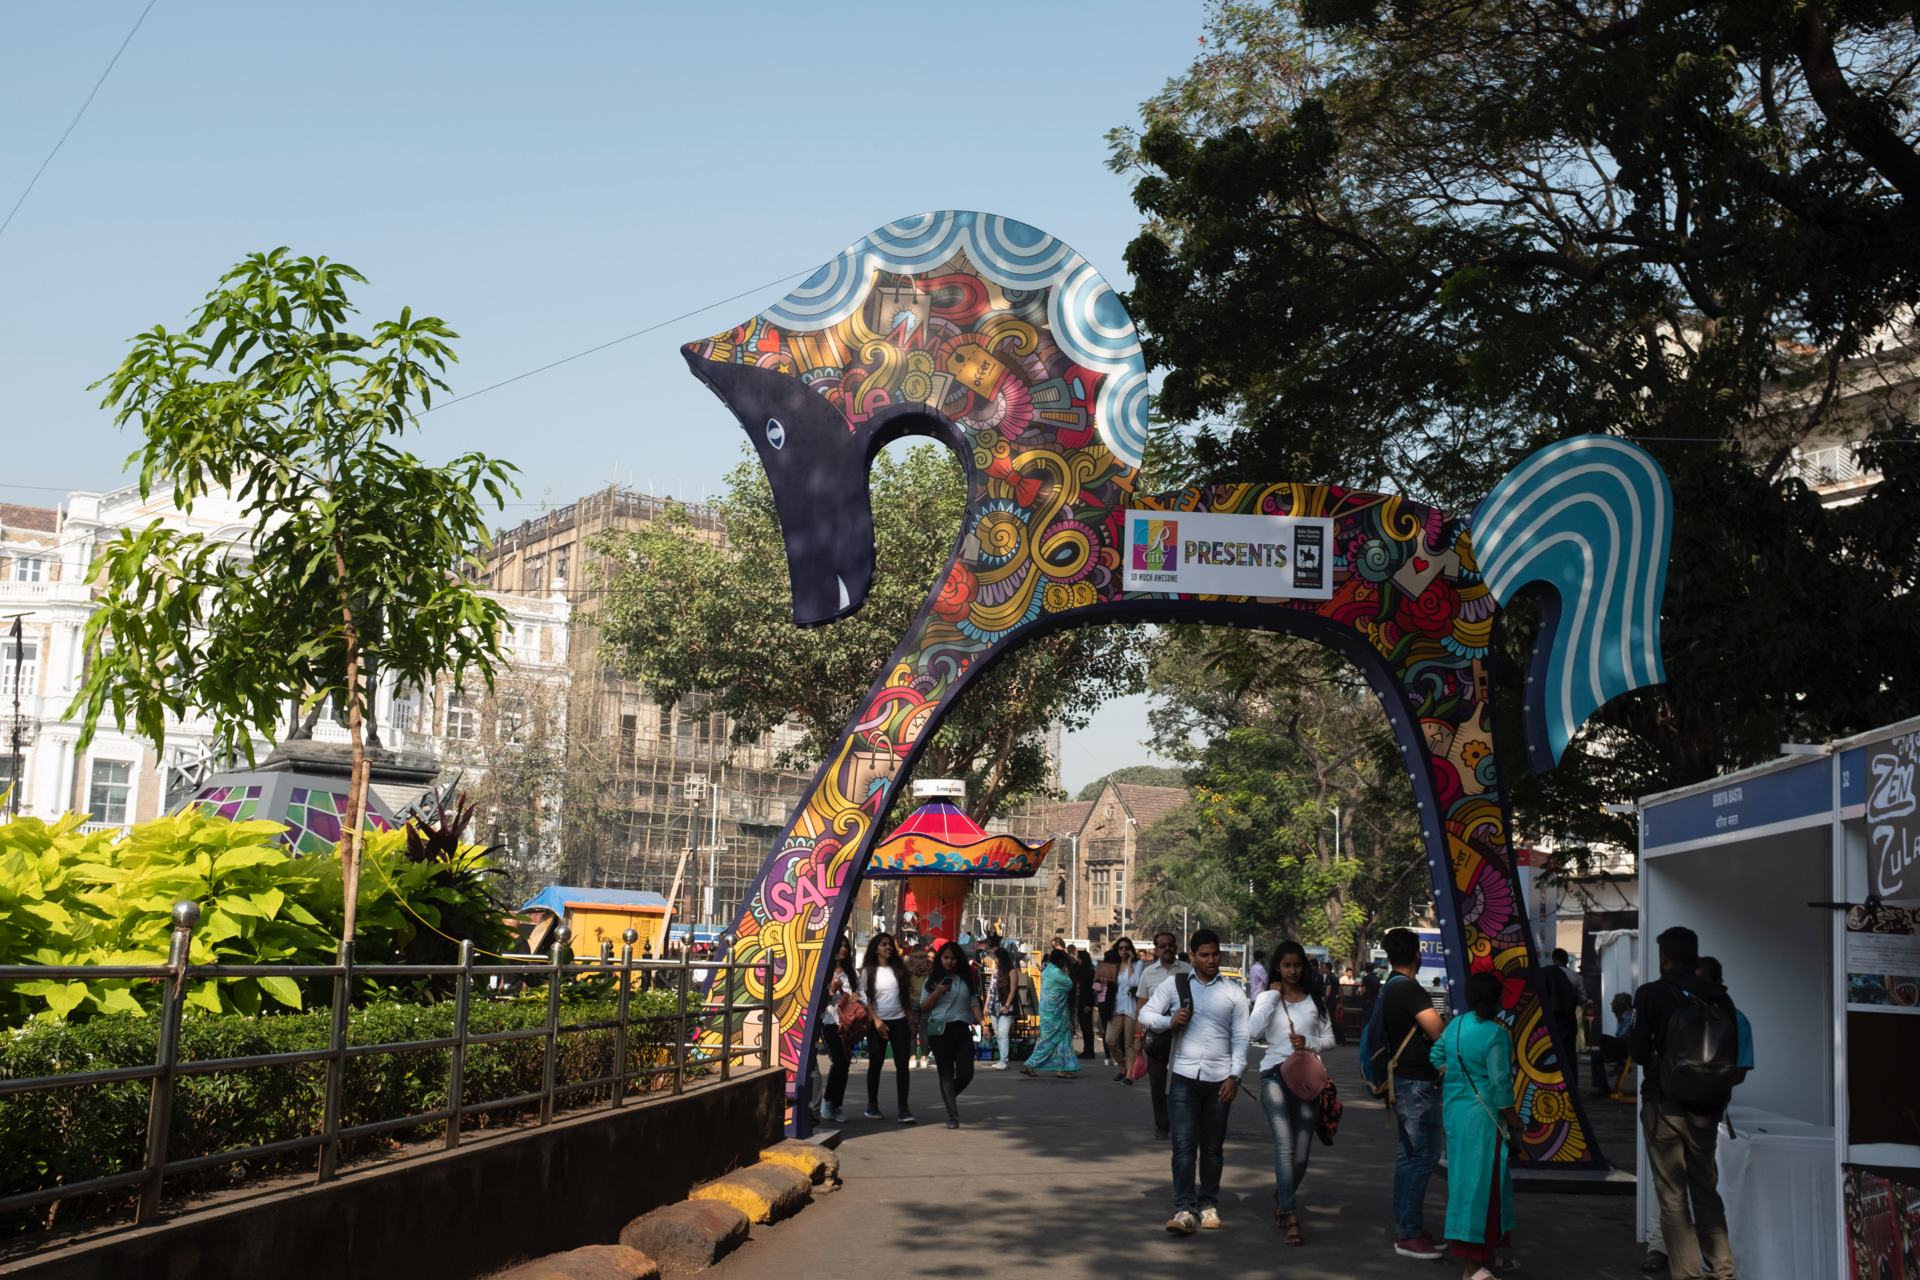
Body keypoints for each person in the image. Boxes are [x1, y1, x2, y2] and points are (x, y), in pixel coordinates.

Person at [1630, 926, 1739, 1280]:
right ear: (1694, 957)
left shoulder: (1651, 993)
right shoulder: (1721, 998)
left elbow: (1638, 1051)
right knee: (1706, 1189)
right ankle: (1724, 1272)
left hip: (1664, 1106)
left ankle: (1689, 1275)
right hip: (1708, 1108)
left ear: (1664, 957)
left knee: (1673, 1196)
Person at [1140, 929, 1250, 1236]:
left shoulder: (1233, 993)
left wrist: (1235, 1076)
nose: (1211, 960)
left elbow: (1242, 1039)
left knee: (1213, 1148)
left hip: (1220, 1081)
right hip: (1184, 1078)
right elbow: (1146, 1014)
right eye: (1204, 955)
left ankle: (1207, 1204)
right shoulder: (1174, 985)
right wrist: (1169, 1021)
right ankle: (1184, 1208)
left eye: (1215, 954)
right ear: (1192, 957)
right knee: (1183, 1147)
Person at [1432, 969, 1521, 1279]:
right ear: (1497, 999)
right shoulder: (1496, 1033)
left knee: (1467, 1183)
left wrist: (1451, 1071)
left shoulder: (1456, 1024)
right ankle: (1472, 1267)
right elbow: (1500, 1085)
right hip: (1485, 1117)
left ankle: (1486, 1256)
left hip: (1456, 1114)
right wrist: (1515, 1121)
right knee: (1482, 1186)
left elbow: (1436, 1054)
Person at [1248, 940, 1335, 1245]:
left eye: (1297, 964)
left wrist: (1309, 1042)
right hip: (1273, 1075)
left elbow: (1330, 1039)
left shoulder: (1314, 999)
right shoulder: (1268, 997)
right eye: (1286, 965)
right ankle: (1292, 1213)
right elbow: (1252, 1030)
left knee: (1301, 1153)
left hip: (1308, 1079)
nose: (1292, 970)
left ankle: (1282, 1193)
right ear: (1277, 967)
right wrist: (1271, 996)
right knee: (1284, 1146)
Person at [1380, 927, 1448, 1261]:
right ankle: (1408, 1233)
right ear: (1418, 954)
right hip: (1417, 1085)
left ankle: (1409, 1226)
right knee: (1424, 1156)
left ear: (1389, 956)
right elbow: (1440, 1032)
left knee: (1409, 1157)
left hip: (1402, 1083)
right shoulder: (1409, 990)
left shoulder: (1390, 987)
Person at [1133, 930, 1192, 1139]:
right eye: (1162, 945)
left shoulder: (1187, 970)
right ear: (1156, 950)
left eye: (1171, 945)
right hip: (1156, 1037)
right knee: (1158, 1083)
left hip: (1184, 1035)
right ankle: (1162, 1125)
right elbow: (1141, 1007)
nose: (1167, 948)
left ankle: (1183, 1124)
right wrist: (1138, 1038)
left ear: (1176, 948)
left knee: (1183, 1081)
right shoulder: (1148, 973)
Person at [919, 940, 984, 1128]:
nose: (949, 961)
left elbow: (973, 1003)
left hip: (962, 1028)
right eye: (945, 958)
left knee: (967, 1073)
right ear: (940, 959)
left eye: (953, 958)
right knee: (946, 1074)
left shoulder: (965, 979)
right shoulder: (932, 981)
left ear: (958, 960)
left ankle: (948, 1096)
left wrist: (983, 1024)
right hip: (940, 1030)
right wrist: (937, 992)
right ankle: (953, 1115)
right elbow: (924, 1007)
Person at [859, 932, 917, 1123]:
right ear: (876, 949)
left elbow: (905, 998)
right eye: (884, 945)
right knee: (875, 1063)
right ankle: (872, 1106)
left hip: (899, 1021)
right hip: (877, 1023)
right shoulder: (868, 971)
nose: (888, 948)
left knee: (903, 1065)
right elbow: (863, 1000)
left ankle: (904, 1108)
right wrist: (876, 1020)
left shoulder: (899, 969)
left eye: (890, 945)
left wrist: (911, 1021)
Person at [814, 934, 857, 1123]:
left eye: (846, 946)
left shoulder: (851, 974)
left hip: (848, 1024)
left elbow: (860, 997)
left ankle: (836, 1106)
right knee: (839, 1062)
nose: (843, 949)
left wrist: (856, 997)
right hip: (829, 1023)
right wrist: (831, 990)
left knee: (844, 1065)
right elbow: (818, 1003)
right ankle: (827, 1103)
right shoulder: (824, 972)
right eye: (840, 945)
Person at [1022, 948, 1082, 1077]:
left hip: (1047, 1011)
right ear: (1061, 961)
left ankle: (1063, 1068)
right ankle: (1030, 1062)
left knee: (1062, 1038)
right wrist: (1066, 973)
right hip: (1055, 1013)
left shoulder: (1046, 970)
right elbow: (1070, 984)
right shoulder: (1057, 973)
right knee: (1048, 1040)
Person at [1541, 947, 1583, 1092]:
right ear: (1567, 961)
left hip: (1549, 1021)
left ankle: (1550, 1086)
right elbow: (1583, 999)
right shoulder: (1576, 976)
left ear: (1554, 959)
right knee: (1569, 1054)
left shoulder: (1546, 973)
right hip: (1568, 1021)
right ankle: (1571, 1087)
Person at [1104, 936, 1145, 1083]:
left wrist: (1129, 963)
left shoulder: (1138, 964)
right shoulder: (1113, 964)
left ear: (1131, 950)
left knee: (1129, 1043)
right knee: (1110, 1039)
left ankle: (1129, 1074)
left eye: (1127, 947)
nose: (1124, 950)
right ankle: (1122, 1067)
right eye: (1121, 948)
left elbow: (1134, 982)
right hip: (1115, 1006)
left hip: (1130, 1007)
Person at [1589, 992, 1636, 1098]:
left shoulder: (1628, 1016)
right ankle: (1603, 1088)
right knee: (1596, 1056)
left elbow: (1625, 1036)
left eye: (1614, 1002)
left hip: (1629, 1047)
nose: (1611, 1004)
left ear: (1621, 1004)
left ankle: (1620, 1063)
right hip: (1624, 1045)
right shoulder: (1621, 1016)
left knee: (1602, 1038)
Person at [987, 946, 1018, 1070]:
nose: (994, 960)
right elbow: (990, 989)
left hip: (1006, 1006)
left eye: (996, 957)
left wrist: (1006, 1005)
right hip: (994, 1006)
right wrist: (986, 1005)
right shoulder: (995, 971)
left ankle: (1004, 1061)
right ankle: (1002, 1059)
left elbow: (1013, 990)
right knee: (999, 1034)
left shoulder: (1012, 971)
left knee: (1003, 1033)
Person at [905, 944, 934, 1069]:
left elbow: (905, 984)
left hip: (911, 1001)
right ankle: (923, 1058)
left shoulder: (908, 965)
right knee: (924, 1030)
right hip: (926, 1001)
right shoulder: (929, 966)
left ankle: (912, 1058)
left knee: (912, 1029)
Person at [1074, 948, 1098, 1058]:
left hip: (1086, 1000)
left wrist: (1089, 1004)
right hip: (1079, 999)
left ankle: (1090, 1049)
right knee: (1083, 1025)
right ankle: (1086, 1049)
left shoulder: (1090, 971)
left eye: (1079, 958)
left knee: (1087, 1026)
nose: (1077, 960)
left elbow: (1090, 989)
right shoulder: (1079, 969)